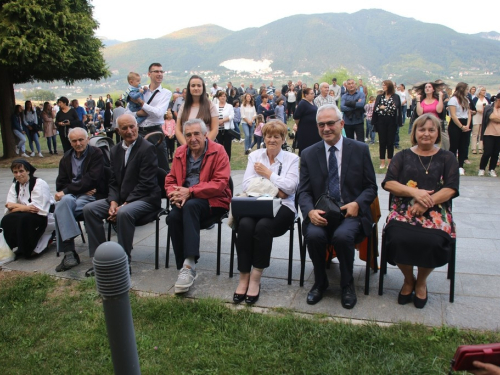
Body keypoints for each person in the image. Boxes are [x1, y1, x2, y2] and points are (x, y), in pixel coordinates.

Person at [298, 104, 377, 309]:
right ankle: (320, 282)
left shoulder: (360, 149)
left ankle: (347, 284)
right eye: (321, 125)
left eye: (331, 123)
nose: (326, 129)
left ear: (341, 124)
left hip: (350, 213)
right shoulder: (308, 154)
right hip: (321, 212)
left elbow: (371, 187)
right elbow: (304, 191)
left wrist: (357, 204)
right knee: (314, 235)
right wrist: (309, 211)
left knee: (343, 237)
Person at [382, 114, 459, 308]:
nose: (426, 133)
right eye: (422, 129)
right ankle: (409, 279)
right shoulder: (403, 156)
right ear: (415, 132)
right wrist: (414, 192)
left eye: (431, 130)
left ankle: (422, 281)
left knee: (433, 241)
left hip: (436, 211)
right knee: (397, 238)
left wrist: (426, 202)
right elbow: (388, 183)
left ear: (438, 133)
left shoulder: (448, 157)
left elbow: (451, 188)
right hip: (403, 210)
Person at [233, 120, 299, 304]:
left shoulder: (291, 159)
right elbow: (247, 184)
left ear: (283, 138)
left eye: (276, 136)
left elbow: (291, 188)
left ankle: (255, 277)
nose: (272, 140)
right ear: (264, 136)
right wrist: (276, 188)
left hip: (284, 207)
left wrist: (267, 174)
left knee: (263, 226)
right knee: (245, 225)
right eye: (268, 136)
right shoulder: (255, 156)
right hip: (256, 203)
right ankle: (243, 276)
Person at [83, 114, 161, 268]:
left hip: (146, 199)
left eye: (132, 126)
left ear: (137, 126)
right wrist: (113, 201)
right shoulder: (115, 150)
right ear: (118, 131)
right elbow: (112, 181)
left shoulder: (147, 148)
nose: (130, 130)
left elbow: (146, 183)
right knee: (89, 209)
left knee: (123, 213)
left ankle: (123, 261)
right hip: (121, 199)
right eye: (125, 128)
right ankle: (101, 257)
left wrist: (124, 204)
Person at [165, 118, 231, 294]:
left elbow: (220, 183)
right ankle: (185, 267)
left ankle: (189, 263)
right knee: (172, 217)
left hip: (215, 201)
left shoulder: (218, 151)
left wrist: (190, 191)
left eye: (196, 134)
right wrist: (175, 193)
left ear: (205, 134)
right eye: (188, 135)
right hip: (187, 200)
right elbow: (170, 179)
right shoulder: (180, 152)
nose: (192, 138)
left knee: (191, 206)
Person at [54, 128, 105, 272]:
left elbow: (93, 179)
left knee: (61, 208)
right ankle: (70, 253)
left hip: (91, 196)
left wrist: (69, 190)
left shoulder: (96, 153)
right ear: (70, 143)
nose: (78, 143)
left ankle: (69, 253)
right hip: (74, 196)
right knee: (63, 204)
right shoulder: (66, 158)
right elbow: (60, 184)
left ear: (88, 139)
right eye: (74, 141)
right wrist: (78, 189)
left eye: (81, 140)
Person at [1, 160, 55, 259]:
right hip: (25, 213)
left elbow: (38, 208)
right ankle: (14, 246)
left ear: (28, 171)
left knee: (24, 220)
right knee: (6, 220)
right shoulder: (15, 185)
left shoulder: (39, 183)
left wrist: (17, 207)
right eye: (15, 172)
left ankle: (29, 248)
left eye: (21, 171)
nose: (18, 175)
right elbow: (9, 206)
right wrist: (25, 207)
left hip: (45, 216)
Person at [125, 63, 172, 173]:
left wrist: (142, 103)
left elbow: (159, 114)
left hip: (155, 131)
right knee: (138, 165)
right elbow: (127, 112)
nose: (159, 74)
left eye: (161, 71)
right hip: (139, 131)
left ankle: (164, 189)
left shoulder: (166, 93)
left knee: (162, 165)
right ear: (149, 74)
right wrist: (138, 114)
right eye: (156, 71)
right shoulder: (139, 90)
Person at [176, 75, 219, 146]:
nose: (196, 88)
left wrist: (203, 145)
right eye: (193, 86)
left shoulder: (210, 105)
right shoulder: (183, 106)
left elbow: (214, 129)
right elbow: (178, 129)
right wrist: (187, 146)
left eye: (199, 85)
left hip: (206, 148)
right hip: (187, 149)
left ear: (203, 88)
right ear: (189, 88)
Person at [372, 80, 402, 169]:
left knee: (390, 142)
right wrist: (383, 107)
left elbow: (394, 107)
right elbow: (376, 108)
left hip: (391, 121)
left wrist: (383, 107)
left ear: (389, 86)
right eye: (382, 85)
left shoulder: (395, 97)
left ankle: (390, 162)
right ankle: (382, 162)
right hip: (381, 121)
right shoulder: (379, 97)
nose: (383, 86)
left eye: (384, 85)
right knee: (382, 142)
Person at [448, 82, 472, 176]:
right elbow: (453, 115)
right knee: (454, 146)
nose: (468, 91)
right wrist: (461, 126)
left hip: (465, 122)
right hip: (456, 124)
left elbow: (469, 112)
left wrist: (467, 125)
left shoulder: (466, 99)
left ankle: (461, 166)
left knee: (463, 146)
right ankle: (452, 165)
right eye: (466, 89)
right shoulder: (453, 100)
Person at [293, 88, 320, 155]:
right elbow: (296, 116)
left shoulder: (312, 102)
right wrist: (298, 125)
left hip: (314, 129)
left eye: (313, 93)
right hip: (305, 130)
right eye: (311, 94)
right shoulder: (302, 103)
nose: (313, 95)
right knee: (306, 147)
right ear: (306, 95)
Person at [478, 96, 500, 177]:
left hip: (499, 134)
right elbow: (491, 117)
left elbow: (495, 118)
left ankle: (492, 169)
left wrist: (496, 118)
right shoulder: (489, 107)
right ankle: (482, 168)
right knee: (487, 152)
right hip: (489, 133)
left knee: (495, 153)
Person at [215, 91, 235, 160]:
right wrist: (217, 122)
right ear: (218, 97)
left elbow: (231, 116)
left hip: (227, 130)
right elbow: (212, 116)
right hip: (218, 130)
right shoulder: (214, 106)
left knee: (227, 147)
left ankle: (227, 162)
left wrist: (223, 121)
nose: (223, 98)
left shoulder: (229, 106)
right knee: (218, 147)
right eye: (221, 96)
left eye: (224, 96)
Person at [471, 87, 490, 155]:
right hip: (476, 117)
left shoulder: (487, 99)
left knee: (482, 133)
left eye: (484, 90)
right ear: (479, 91)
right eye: (482, 90)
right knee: (475, 133)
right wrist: (477, 110)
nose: (484, 91)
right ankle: (473, 148)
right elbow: (472, 108)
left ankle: (480, 148)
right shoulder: (475, 99)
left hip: (484, 117)